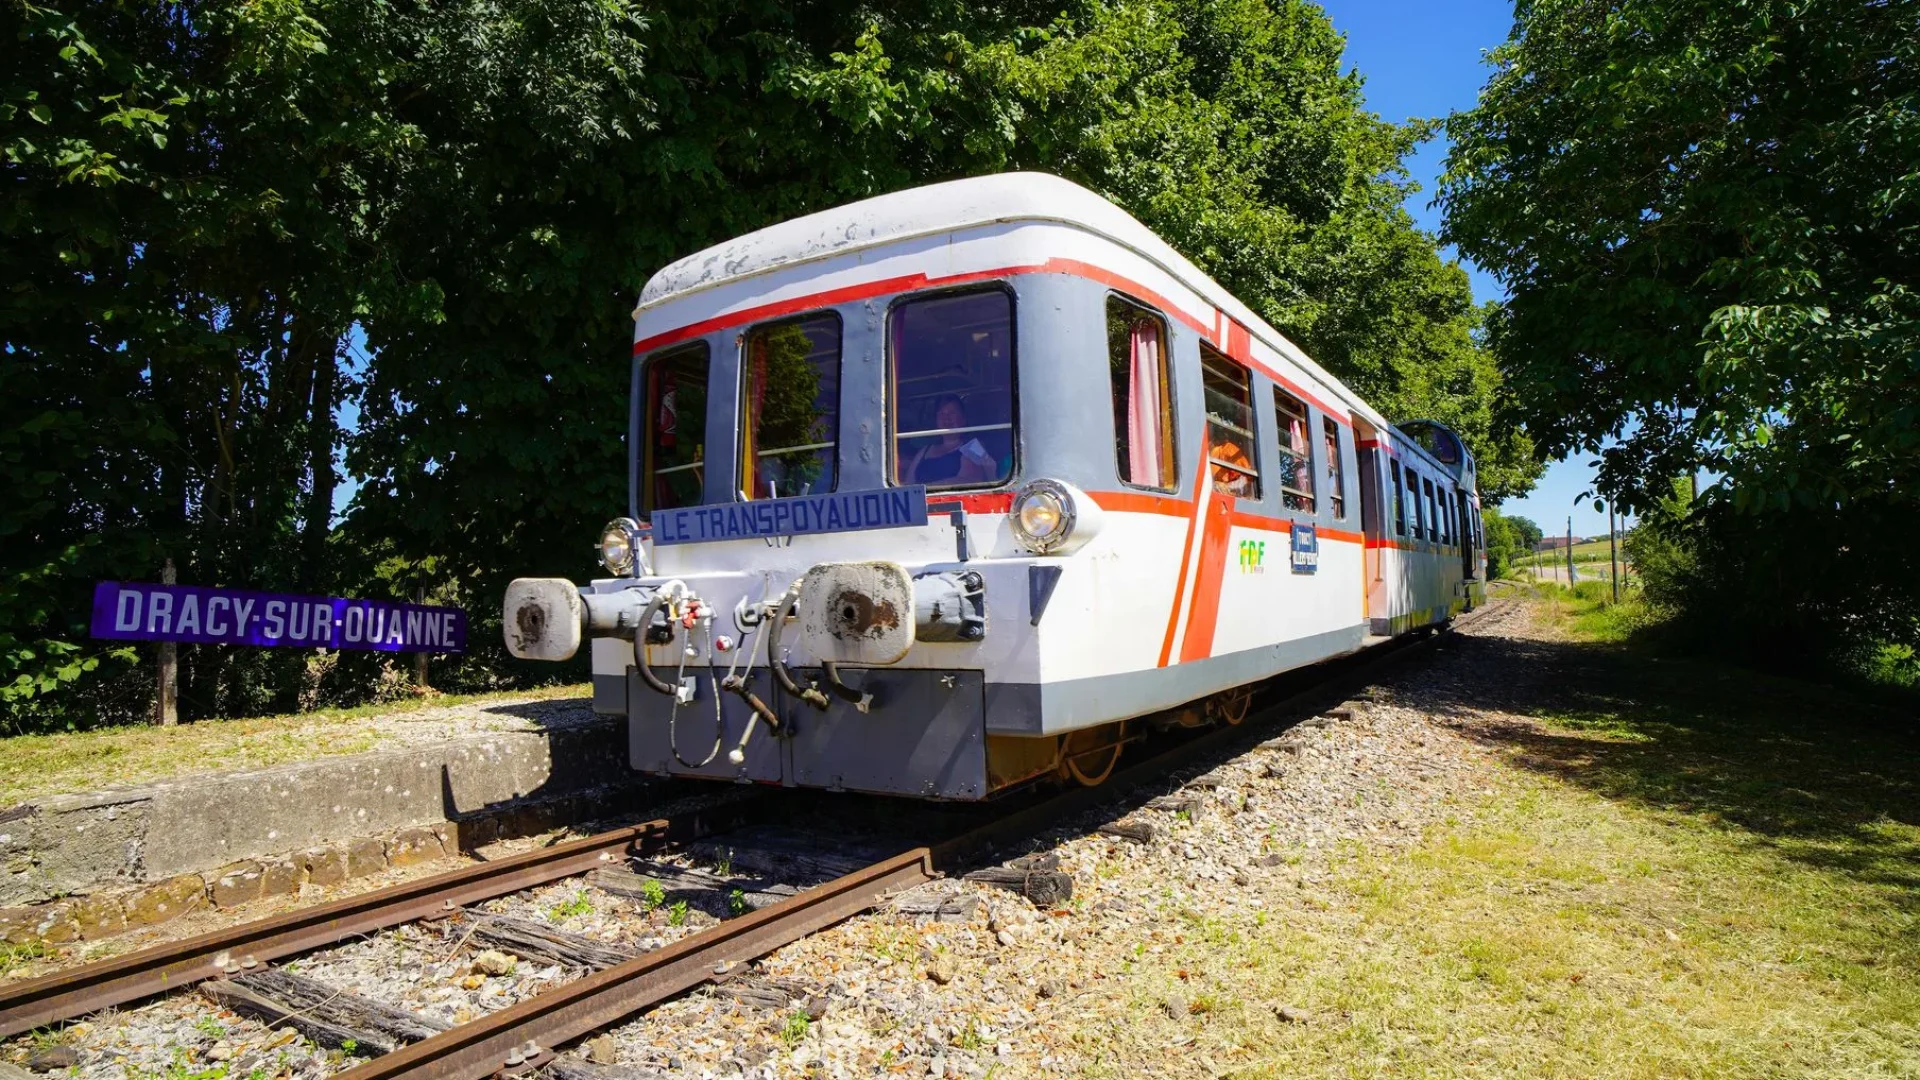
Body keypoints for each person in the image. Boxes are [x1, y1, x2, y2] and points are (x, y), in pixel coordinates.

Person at [904, 395, 996, 486]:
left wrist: (924, 490)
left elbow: (969, 481)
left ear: (963, 419)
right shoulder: (925, 450)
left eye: (952, 413)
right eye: (941, 414)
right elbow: (909, 484)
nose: (946, 418)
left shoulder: (973, 446)